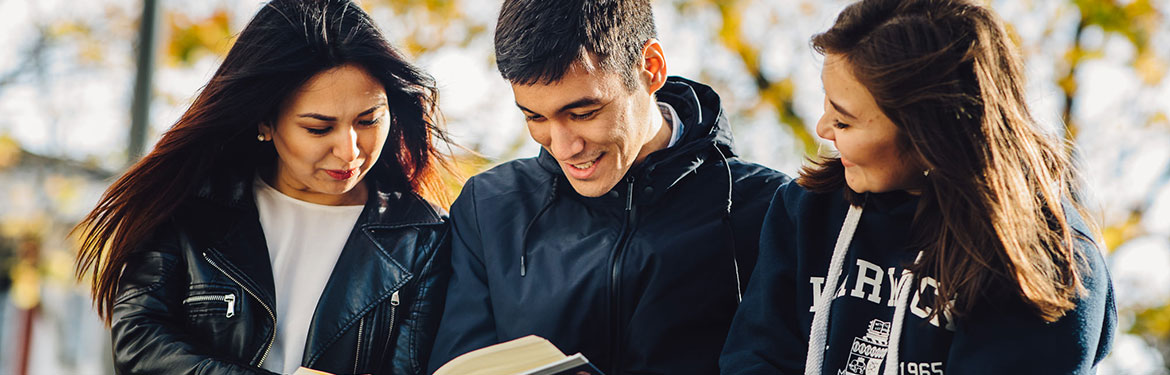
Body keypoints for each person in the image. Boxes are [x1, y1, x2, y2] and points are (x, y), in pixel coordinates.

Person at [720, 0, 1116, 374]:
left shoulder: (1044, 265)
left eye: (844, 122)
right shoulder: (808, 209)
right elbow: (754, 356)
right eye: (827, 106)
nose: (822, 130)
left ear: (929, 136)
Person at [73, 0, 454, 373]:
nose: (349, 150)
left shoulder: (422, 236)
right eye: (318, 128)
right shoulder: (190, 208)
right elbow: (141, 347)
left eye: (369, 120)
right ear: (265, 123)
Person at [426, 0, 790, 374]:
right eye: (535, 117)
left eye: (584, 114)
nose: (565, 147)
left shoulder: (769, 209)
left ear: (651, 68)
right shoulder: (488, 207)